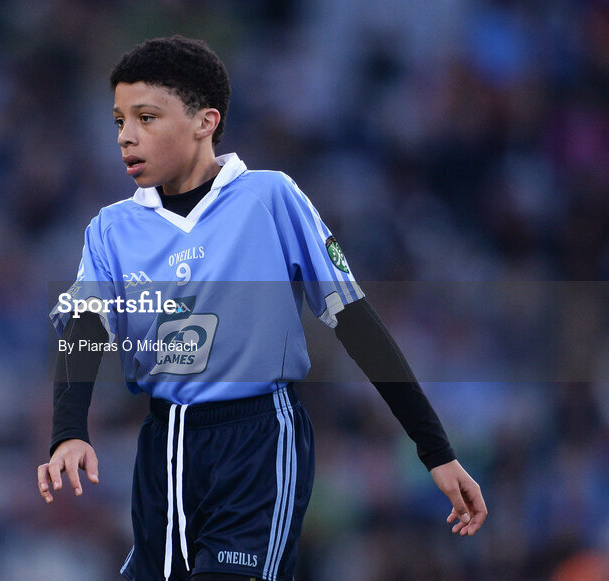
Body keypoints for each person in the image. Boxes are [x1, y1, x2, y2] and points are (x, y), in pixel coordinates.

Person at [37, 36, 487, 581]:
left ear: (205, 121)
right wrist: (69, 430)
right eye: (118, 121)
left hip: (256, 439)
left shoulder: (270, 198)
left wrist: (434, 450)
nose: (127, 136)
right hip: (163, 448)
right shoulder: (110, 228)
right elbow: (83, 329)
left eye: (147, 117)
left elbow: (357, 323)